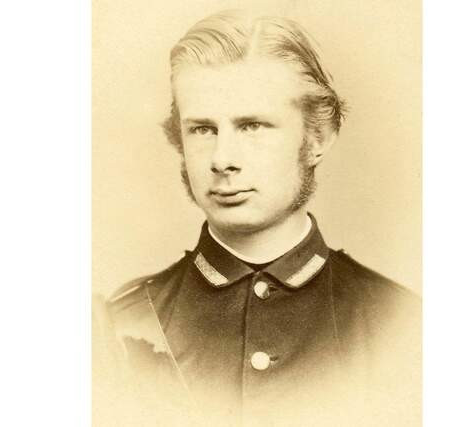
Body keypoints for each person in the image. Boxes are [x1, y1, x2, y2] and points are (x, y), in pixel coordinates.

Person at [93, 10, 421, 427]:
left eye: (252, 126)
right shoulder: (120, 328)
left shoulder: (404, 327)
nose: (222, 159)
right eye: (202, 129)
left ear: (316, 139)